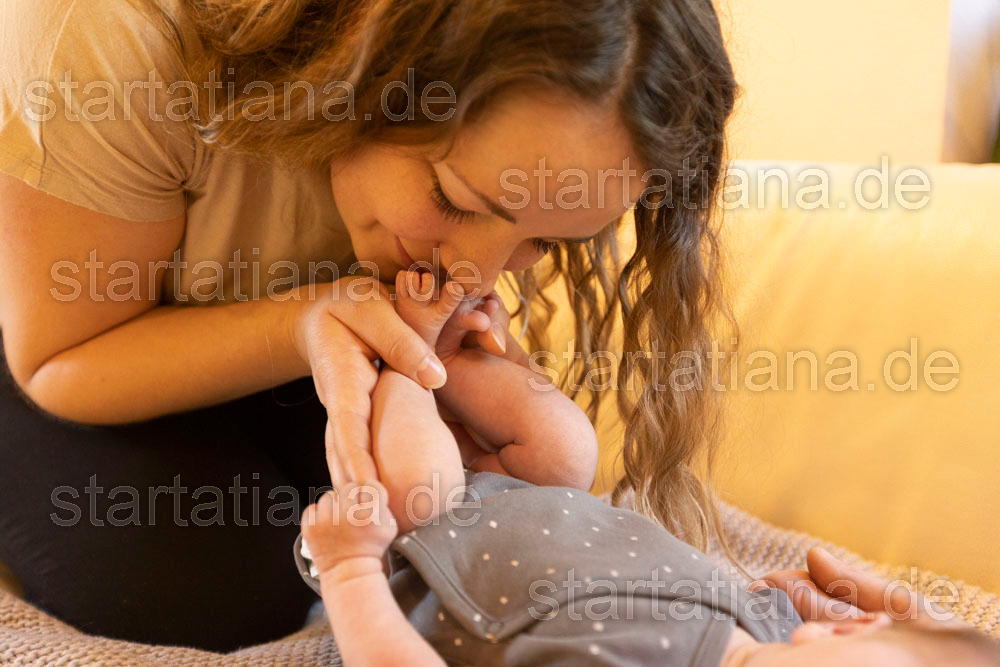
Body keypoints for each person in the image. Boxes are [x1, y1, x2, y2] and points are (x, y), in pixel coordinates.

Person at [0, 0, 738, 651]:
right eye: (455, 201)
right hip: (63, 338)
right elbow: (59, 358)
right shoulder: (117, 37)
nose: (476, 275)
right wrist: (303, 322)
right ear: (370, 63)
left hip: (287, 339)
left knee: (432, 521)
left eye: (543, 240)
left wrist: (457, 375)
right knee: (213, 592)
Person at [297, 480, 1000, 666]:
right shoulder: (776, 626)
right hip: (538, 489)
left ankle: (407, 343)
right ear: (850, 631)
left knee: (407, 449)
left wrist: (349, 569)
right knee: (563, 438)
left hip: (416, 549)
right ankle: (450, 342)